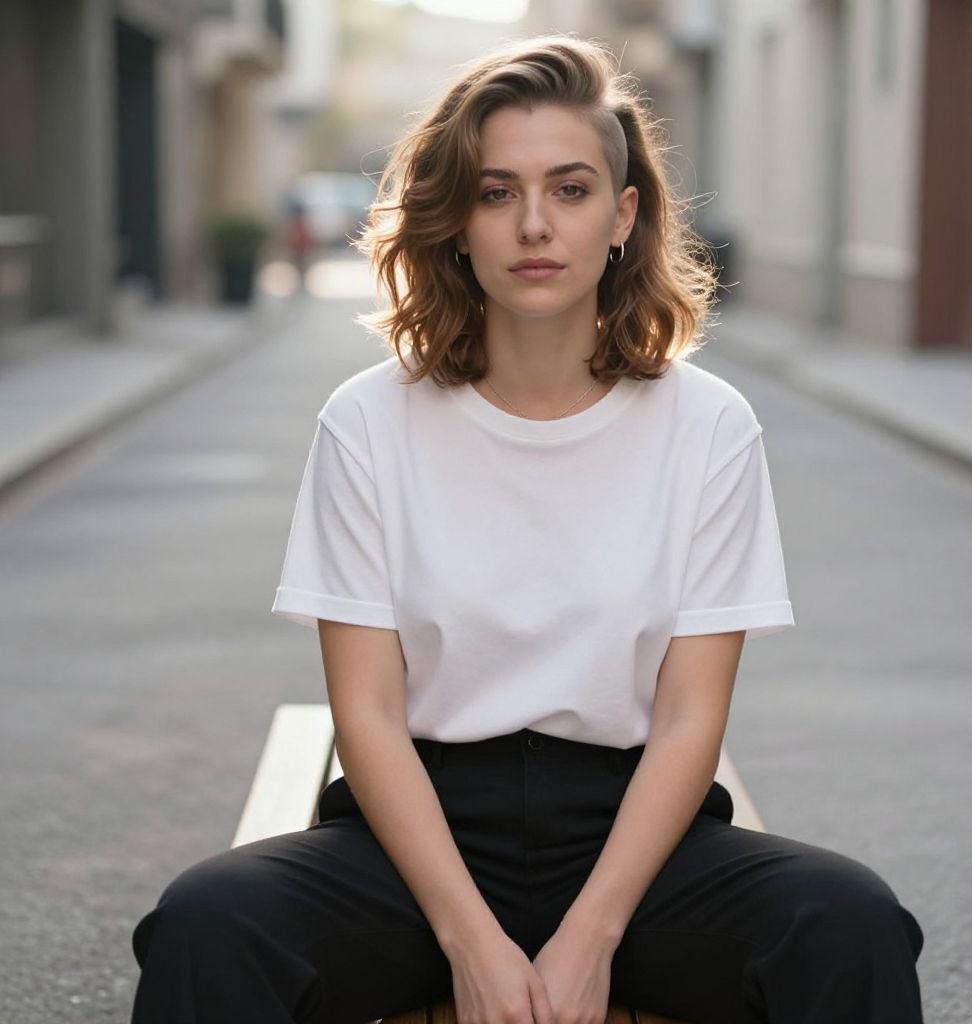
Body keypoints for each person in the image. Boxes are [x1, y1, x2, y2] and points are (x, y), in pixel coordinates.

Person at [129, 34, 925, 1024]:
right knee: (210, 922)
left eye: (572, 188)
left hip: (632, 841)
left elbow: (688, 718)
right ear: (456, 220)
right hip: (416, 838)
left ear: (624, 215)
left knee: (847, 922)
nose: (535, 224)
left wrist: (591, 936)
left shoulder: (707, 425)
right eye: (497, 191)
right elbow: (369, 715)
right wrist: (469, 939)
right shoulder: (368, 421)